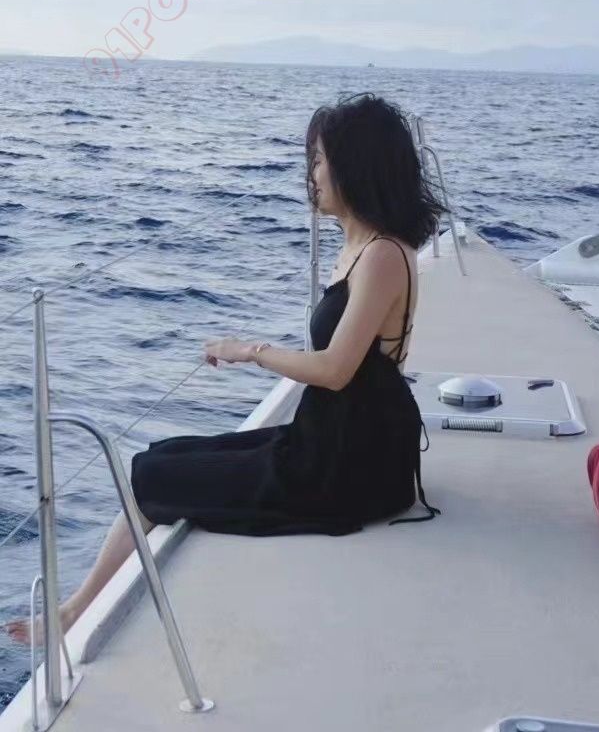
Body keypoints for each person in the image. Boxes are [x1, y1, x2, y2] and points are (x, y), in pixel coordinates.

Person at [5, 92, 447, 647]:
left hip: (347, 468)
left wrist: (250, 350)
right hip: (328, 438)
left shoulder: (381, 255)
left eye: (318, 161)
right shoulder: (362, 246)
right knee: (158, 457)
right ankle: (73, 608)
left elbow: (336, 370)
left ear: (354, 167)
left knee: (152, 478)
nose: (310, 175)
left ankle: (72, 613)